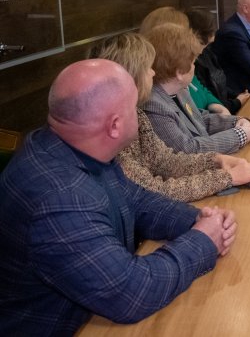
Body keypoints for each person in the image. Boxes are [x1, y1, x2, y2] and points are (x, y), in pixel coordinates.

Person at [0, 59, 236, 334]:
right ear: (114, 126)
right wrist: (203, 240)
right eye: (135, 108)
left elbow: (138, 200)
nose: (140, 114)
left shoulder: (78, 148)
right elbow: (132, 293)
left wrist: (199, 219)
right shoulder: (59, 198)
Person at [90, 32, 250, 201]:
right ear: (130, 77)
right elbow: (152, 191)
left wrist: (215, 161)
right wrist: (226, 177)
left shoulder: (136, 113)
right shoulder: (116, 128)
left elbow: (166, 161)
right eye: (148, 68)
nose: (153, 73)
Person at [143, 23, 250, 154]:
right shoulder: (154, 107)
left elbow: (200, 120)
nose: (194, 67)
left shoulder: (180, 91)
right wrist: (239, 135)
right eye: (193, 62)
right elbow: (189, 149)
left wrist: (235, 121)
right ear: (180, 73)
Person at [141, 6, 230, 116]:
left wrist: (216, 105)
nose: (189, 39)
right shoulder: (164, 84)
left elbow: (201, 89)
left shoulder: (183, 64)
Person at [186, 8, 250, 114]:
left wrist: (238, 96)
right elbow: (204, 107)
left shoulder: (207, 52)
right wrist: (237, 102)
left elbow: (217, 87)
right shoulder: (193, 62)